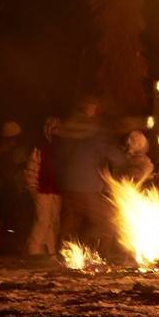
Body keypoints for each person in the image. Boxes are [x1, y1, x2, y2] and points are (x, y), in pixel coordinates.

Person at [56, 96, 124, 255]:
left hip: (68, 185)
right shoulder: (93, 129)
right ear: (91, 108)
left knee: (71, 221)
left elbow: (61, 154)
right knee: (107, 221)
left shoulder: (71, 127)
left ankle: (62, 252)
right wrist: (124, 158)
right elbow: (108, 150)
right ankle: (102, 255)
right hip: (86, 186)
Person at [24, 117, 62, 257]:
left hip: (56, 189)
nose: (56, 132)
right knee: (43, 219)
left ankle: (50, 249)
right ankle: (33, 248)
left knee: (54, 220)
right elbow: (32, 168)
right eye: (54, 129)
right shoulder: (40, 148)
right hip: (42, 188)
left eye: (59, 129)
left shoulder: (61, 148)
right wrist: (32, 186)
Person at [0, 121, 32, 254]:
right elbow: (6, 173)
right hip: (10, 190)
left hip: (10, 189)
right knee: (10, 221)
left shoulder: (6, 152)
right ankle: (8, 247)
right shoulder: (6, 153)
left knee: (11, 221)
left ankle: (10, 246)